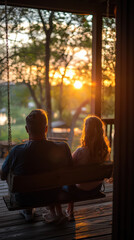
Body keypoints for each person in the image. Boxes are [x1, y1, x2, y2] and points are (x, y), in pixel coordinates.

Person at [0, 109, 72, 222]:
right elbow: (70, 169)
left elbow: (3, 175)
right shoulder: (63, 147)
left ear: (27, 129)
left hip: (25, 199)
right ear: (46, 128)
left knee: (12, 172)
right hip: (53, 195)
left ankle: (27, 211)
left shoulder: (16, 151)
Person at [64, 115, 111, 221]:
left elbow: (68, 166)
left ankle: (69, 211)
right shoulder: (105, 151)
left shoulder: (81, 151)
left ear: (86, 131)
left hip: (79, 190)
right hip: (96, 188)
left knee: (66, 181)